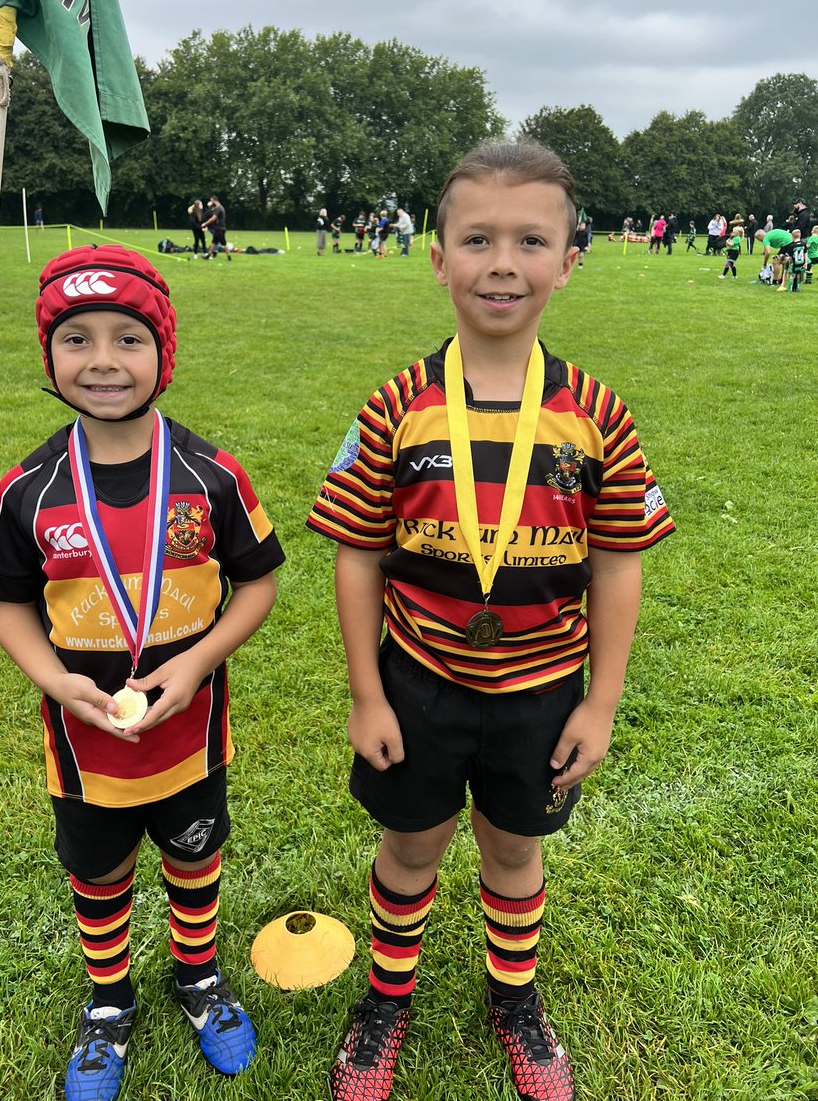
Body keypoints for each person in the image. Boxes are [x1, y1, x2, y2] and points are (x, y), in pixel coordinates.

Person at [307, 139, 674, 1101]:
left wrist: (601, 702)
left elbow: (619, 561)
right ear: (437, 257)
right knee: (412, 844)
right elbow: (354, 554)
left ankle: (514, 998)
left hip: (542, 693)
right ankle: (388, 999)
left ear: (568, 259)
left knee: (515, 849)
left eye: (529, 240)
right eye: (476, 238)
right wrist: (364, 694)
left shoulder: (601, 416)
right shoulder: (396, 408)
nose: (502, 262)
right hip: (416, 685)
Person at [0, 245, 285, 1101]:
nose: (103, 360)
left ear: (163, 354)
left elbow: (257, 582)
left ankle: (199, 980)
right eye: (76, 339)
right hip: (84, 748)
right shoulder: (28, 489)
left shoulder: (211, 475)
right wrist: (57, 679)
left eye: (128, 339)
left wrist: (196, 662)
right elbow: (6, 604)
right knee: (99, 875)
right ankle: (109, 1004)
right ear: (49, 356)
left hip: (191, 735)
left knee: (194, 862)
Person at [202, 196, 232, 261]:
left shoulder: (218, 208)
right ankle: (208, 256)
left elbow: (213, 218)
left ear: (214, 200)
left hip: (219, 229)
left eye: (211, 201)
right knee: (214, 242)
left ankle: (229, 257)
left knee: (223, 243)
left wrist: (205, 224)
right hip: (219, 228)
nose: (211, 202)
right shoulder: (220, 207)